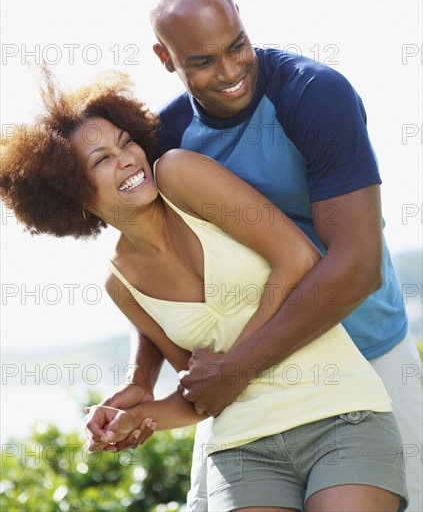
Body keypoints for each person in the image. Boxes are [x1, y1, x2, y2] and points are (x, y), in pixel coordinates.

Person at [0, 71, 408, 511]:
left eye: (126, 142)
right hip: (243, 449)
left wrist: (233, 368)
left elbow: (300, 258)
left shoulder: (180, 174)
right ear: (72, 194)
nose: (128, 159)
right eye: (101, 159)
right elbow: (200, 395)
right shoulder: (121, 286)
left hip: (340, 412)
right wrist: (136, 419)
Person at [94, 0, 422, 511]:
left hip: (365, 357)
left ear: (241, 19)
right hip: (250, 385)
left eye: (236, 46)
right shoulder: (170, 142)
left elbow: (357, 266)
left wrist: (235, 368)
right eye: (201, 61)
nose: (229, 71)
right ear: (165, 58)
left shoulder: (316, 96)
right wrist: (141, 378)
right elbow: (160, 270)